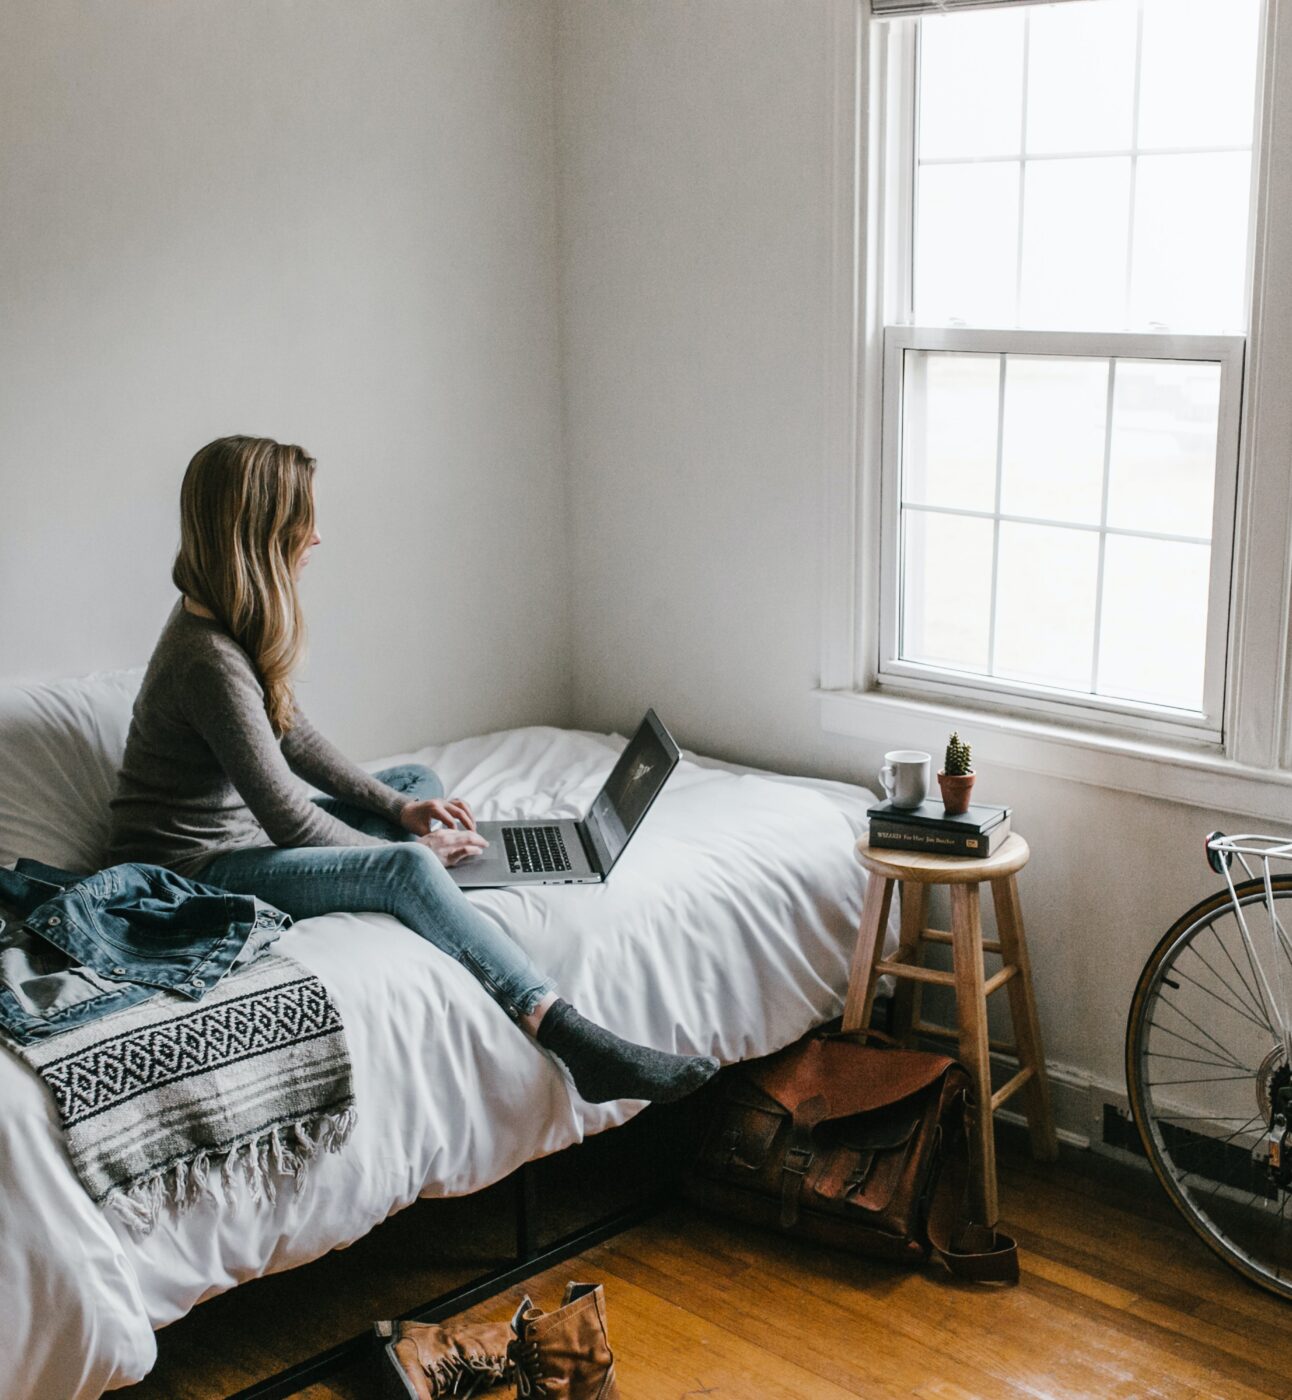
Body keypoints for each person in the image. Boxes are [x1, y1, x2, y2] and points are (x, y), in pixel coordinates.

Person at [105, 435, 718, 1104]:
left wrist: (398, 813)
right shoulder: (208, 661)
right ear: (262, 532)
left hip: (241, 838)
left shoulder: (227, 618)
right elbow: (285, 816)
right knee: (407, 867)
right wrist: (407, 852)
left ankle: (419, 868)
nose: (318, 536)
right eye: (303, 519)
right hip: (191, 873)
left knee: (412, 786)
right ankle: (569, 1035)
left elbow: (294, 735)